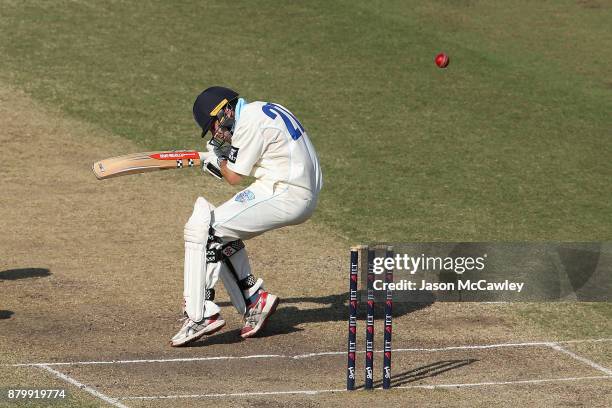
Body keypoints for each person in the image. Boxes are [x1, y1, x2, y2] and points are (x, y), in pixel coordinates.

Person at [171, 86, 323, 346]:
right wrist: (219, 156)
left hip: (286, 192)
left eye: (213, 126)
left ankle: (200, 315)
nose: (216, 133)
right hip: (287, 187)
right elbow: (246, 163)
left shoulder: (249, 123)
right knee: (221, 228)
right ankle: (254, 300)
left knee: (205, 228)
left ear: (224, 111)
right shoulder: (260, 110)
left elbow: (233, 176)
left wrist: (215, 160)